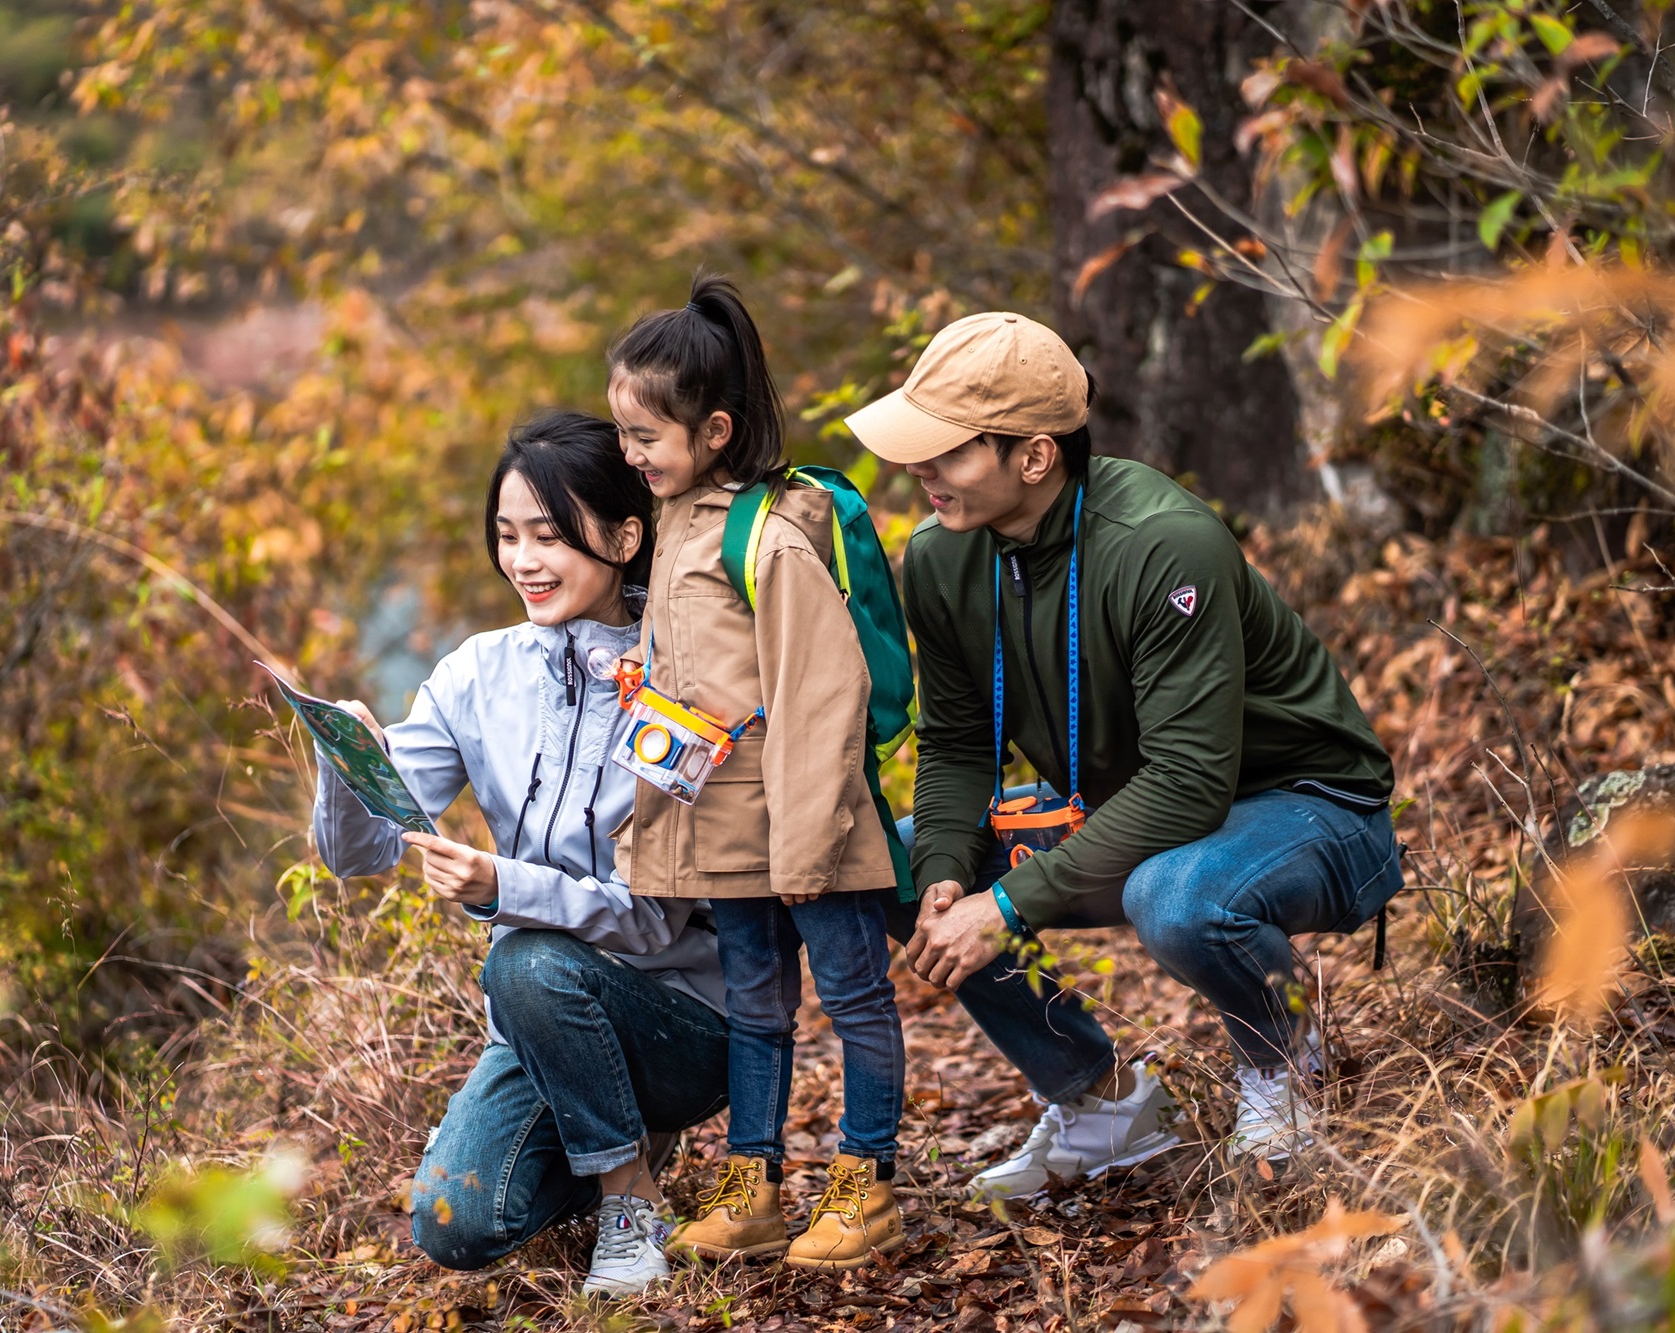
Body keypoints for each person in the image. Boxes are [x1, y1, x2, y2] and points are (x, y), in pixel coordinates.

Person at [845, 312, 1401, 1190]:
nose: (920, 471)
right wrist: (953, 870)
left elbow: (1187, 781)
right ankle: (1100, 1103)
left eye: (948, 453)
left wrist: (1008, 906)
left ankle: (1283, 1063)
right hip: (1147, 806)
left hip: (1313, 807)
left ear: (1034, 456)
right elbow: (955, 739)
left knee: (1174, 895)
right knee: (893, 860)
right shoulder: (941, 558)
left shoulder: (1161, 544)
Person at [311, 411, 727, 1297]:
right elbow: (362, 854)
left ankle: (629, 1196)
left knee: (529, 959)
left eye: (550, 535)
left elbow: (654, 917)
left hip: (681, 1020)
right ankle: (611, 1130)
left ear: (623, 536)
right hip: (542, 1023)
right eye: (508, 536)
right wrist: (344, 758)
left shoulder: (680, 676)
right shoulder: (477, 672)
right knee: (454, 1223)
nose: (525, 561)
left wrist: (505, 885)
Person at [607, 274, 908, 1271]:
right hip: (723, 828)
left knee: (855, 997)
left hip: (804, 827)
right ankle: (756, 1182)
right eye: (623, 433)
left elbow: (821, 693)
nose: (631, 455)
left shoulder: (767, 538)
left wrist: (808, 841)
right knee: (756, 1007)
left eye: (646, 436)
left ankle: (866, 1184)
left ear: (716, 430)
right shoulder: (673, 527)